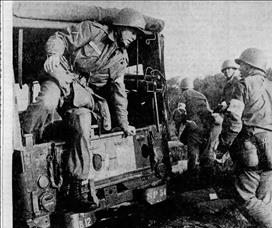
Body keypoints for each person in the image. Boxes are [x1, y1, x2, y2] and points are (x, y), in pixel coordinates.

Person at [22, 8, 150, 211]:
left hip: (81, 95)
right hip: (61, 76)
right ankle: (24, 143)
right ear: (121, 26)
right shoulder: (93, 30)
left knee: (83, 123)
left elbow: (119, 94)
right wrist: (54, 54)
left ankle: (76, 188)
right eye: (132, 32)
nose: (134, 38)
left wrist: (125, 124)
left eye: (137, 35)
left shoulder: (121, 60)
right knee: (48, 102)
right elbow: (61, 38)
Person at [215, 48, 272, 228]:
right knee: (263, 199)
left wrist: (223, 147)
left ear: (250, 66)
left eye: (242, 65)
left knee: (245, 197)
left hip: (249, 148)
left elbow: (234, 120)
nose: (240, 68)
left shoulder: (242, 85)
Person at [176, 77, 211, 171]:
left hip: (194, 126)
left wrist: (178, 126)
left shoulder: (183, 95)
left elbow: (180, 112)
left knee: (193, 154)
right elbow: (209, 111)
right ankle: (207, 175)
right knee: (205, 153)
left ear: (182, 88)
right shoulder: (202, 95)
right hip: (206, 126)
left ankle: (192, 176)